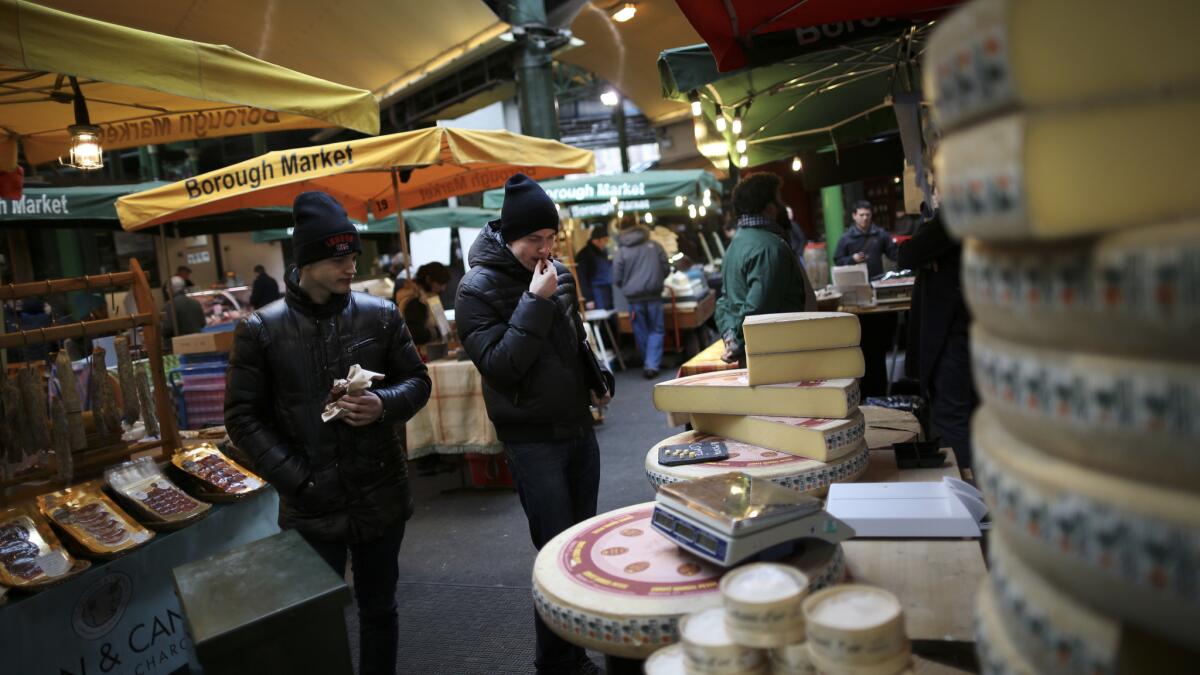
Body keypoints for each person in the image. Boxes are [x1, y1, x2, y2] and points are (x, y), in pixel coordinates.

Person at [225, 191, 432, 675]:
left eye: (353, 254)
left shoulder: (379, 314)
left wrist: (382, 404)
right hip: (310, 503)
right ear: (307, 260)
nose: (350, 265)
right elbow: (242, 418)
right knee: (317, 619)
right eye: (339, 256)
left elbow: (418, 382)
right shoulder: (260, 329)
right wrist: (300, 478)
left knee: (380, 608)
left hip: (381, 492)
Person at [455, 173, 605, 675]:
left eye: (550, 238)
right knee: (555, 554)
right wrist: (535, 302)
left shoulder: (556, 270)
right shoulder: (475, 289)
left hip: (577, 427)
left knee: (582, 548)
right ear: (508, 236)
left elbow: (572, 336)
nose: (544, 249)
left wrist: (593, 371)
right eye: (533, 240)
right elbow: (500, 365)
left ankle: (575, 653)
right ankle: (555, 663)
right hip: (532, 438)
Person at [898, 188, 978, 469]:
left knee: (952, 415)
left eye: (937, 188)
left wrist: (926, 252)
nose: (933, 194)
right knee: (967, 412)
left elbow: (907, 254)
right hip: (972, 326)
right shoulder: (979, 214)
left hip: (951, 331)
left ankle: (972, 499)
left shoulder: (954, 217)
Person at [717, 173, 817, 364]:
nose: (782, 205)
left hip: (757, 355)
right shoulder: (770, 247)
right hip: (779, 354)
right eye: (779, 200)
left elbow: (723, 302)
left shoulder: (734, 246)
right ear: (770, 209)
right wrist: (738, 340)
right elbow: (758, 308)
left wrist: (732, 338)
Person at [613, 217, 669, 378]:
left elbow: (616, 277)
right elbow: (666, 268)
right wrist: (656, 280)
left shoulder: (621, 251)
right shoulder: (655, 246)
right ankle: (652, 364)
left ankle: (650, 363)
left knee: (641, 332)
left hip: (633, 299)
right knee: (657, 330)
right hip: (654, 295)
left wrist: (627, 286)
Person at [834, 200, 899, 278]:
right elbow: (838, 261)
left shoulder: (880, 234)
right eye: (861, 215)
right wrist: (852, 259)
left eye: (867, 215)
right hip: (855, 280)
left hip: (877, 278)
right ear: (854, 216)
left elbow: (894, 254)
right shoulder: (846, 238)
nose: (865, 218)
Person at [394, 262, 451, 347]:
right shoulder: (416, 300)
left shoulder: (431, 296)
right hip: (424, 353)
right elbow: (414, 333)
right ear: (428, 279)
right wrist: (438, 331)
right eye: (440, 283)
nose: (443, 288)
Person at [574, 225, 613, 311]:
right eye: (605, 240)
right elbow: (581, 278)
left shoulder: (604, 252)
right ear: (596, 240)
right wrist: (588, 299)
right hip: (596, 295)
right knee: (602, 321)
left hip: (608, 292)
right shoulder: (584, 254)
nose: (606, 243)